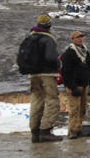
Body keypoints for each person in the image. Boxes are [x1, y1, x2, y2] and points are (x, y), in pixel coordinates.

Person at [24, 14, 63, 142]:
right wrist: (58, 65)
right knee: (52, 102)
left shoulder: (30, 37)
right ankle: (45, 130)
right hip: (47, 74)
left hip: (33, 75)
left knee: (36, 101)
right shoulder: (48, 39)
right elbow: (51, 57)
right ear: (49, 25)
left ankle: (34, 132)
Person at [60, 30, 90, 139]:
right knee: (74, 109)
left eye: (82, 37)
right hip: (74, 86)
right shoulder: (68, 53)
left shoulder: (86, 52)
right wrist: (71, 87)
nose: (80, 39)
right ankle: (72, 131)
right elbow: (66, 72)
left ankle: (79, 129)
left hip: (84, 85)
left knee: (82, 108)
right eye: (78, 37)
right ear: (73, 39)